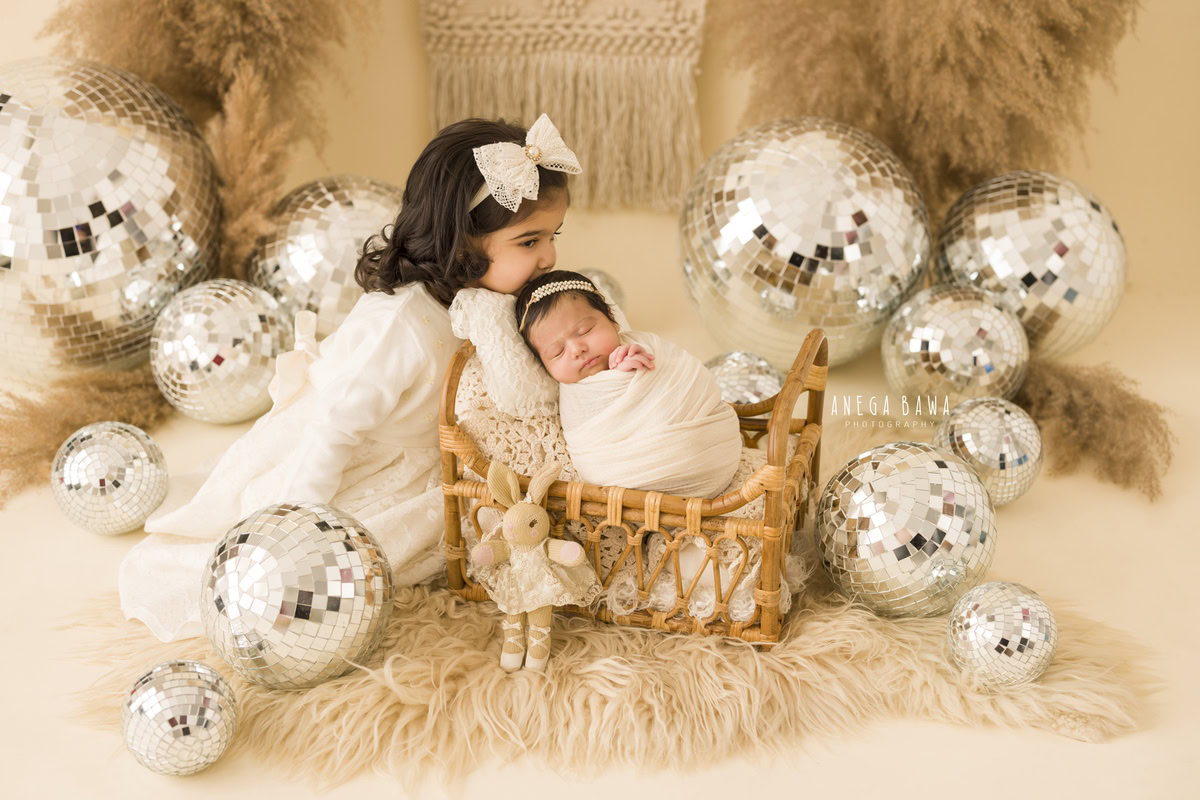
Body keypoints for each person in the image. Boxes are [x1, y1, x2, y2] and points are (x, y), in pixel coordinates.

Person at [121, 114, 581, 642]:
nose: (549, 256)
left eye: (553, 236)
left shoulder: (488, 299)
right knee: (349, 567)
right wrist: (297, 527)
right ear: (460, 244)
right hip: (358, 456)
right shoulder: (398, 326)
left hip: (431, 448)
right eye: (529, 242)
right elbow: (334, 429)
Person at [515, 270, 742, 499]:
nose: (577, 350)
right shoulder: (575, 397)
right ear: (544, 366)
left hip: (712, 451)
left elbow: (684, 380)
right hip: (637, 483)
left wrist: (634, 370)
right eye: (557, 352)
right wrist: (615, 381)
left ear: (612, 319)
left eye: (585, 330)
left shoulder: (643, 345)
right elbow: (595, 455)